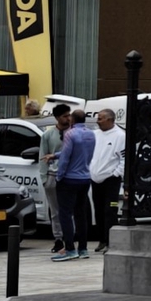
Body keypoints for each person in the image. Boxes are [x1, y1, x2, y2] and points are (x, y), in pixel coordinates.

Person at [51, 106, 95, 261]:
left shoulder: (70, 134)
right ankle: (83, 248)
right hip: (84, 177)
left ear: (73, 119)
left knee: (65, 214)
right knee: (81, 214)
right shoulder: (91, 134)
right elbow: (84, 153)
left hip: (69, 178)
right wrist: (55, 155)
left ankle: (70, 249)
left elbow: (66, 157)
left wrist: (59, 176)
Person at [88, 107, 125, 249]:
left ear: (109, 120)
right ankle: (102, 239)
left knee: (110, 210)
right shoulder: (95, 134)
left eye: (100, 118)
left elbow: (124, 159)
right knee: (98, 210)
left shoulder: (120, 136)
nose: (97, 121)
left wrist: (115, 174)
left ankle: (111, 242)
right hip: (95, 179)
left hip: (111, 180)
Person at [34, 100, 67, 238]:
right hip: (52, 175)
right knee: (55, 211)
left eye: (69, 115)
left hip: (68, 176)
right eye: (65, 116)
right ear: (58, 118)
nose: (68, 118)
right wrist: (44, 179)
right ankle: (58, 237)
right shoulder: (48, 135)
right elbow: (42, 156)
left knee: (69, 209)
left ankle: (70, 236)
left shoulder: (73, 133)